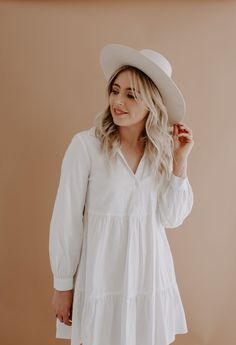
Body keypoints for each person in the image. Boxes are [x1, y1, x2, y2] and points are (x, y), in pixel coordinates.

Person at [49, 43, 194, 345]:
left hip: (149, 276)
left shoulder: (163, 150)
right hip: (102, 276)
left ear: (152, 103)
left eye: (131, 95)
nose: (118, 101)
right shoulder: (85, 147)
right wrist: (63, 285)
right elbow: (66, 218)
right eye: (115, 90)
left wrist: (180, 161)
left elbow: (172, 217)